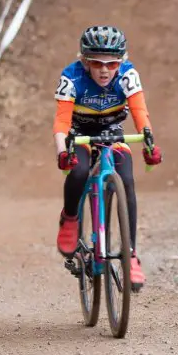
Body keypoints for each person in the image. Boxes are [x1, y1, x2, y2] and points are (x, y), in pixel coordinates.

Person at [52, 25, 163, 292]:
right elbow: (61, 121)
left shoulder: (128, 75)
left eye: (112, 63)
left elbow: (140, 113)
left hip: (112, 133)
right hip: (79, 134)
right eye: (96, 63)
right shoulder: (72, 77)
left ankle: (131, 255)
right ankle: (69, 218)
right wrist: (62, 152)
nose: (104, 70)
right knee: (78, 173)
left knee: (126, 181)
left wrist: (149, 142)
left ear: (120, 62)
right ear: (84, 61)